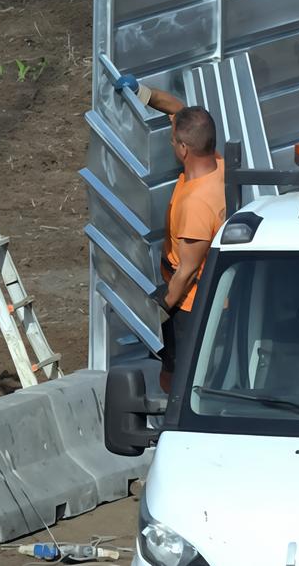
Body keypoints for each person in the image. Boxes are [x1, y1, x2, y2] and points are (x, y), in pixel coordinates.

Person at [115, 75, 226, 391]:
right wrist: (141, 93)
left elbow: (187, 274)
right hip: (200, 292)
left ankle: (173, 419)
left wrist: (156, 315)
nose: (171, 144)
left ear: (185, 148)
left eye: (173, 141)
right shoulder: (216, 164)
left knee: (180, 375)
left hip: (189, 304)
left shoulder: (197, 205)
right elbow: (176, 108)